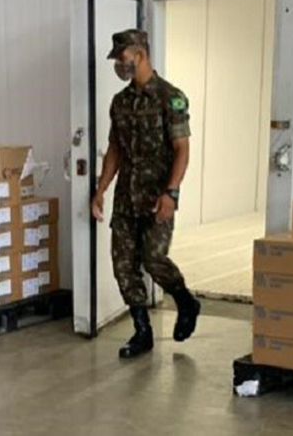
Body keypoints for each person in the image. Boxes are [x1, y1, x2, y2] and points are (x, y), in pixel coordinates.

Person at [91, 29, 201, 359]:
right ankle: (142, 332)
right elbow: (115, 149)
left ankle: (185, 301)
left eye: (122, 58)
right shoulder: (120, 103)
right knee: (123, 265)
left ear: (139, 54)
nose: (118, 64)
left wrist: (171, 193)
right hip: (127, 198)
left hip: (157, 197)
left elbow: (182, 150)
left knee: (153, 259)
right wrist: (101, 189)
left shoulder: (170, 97)